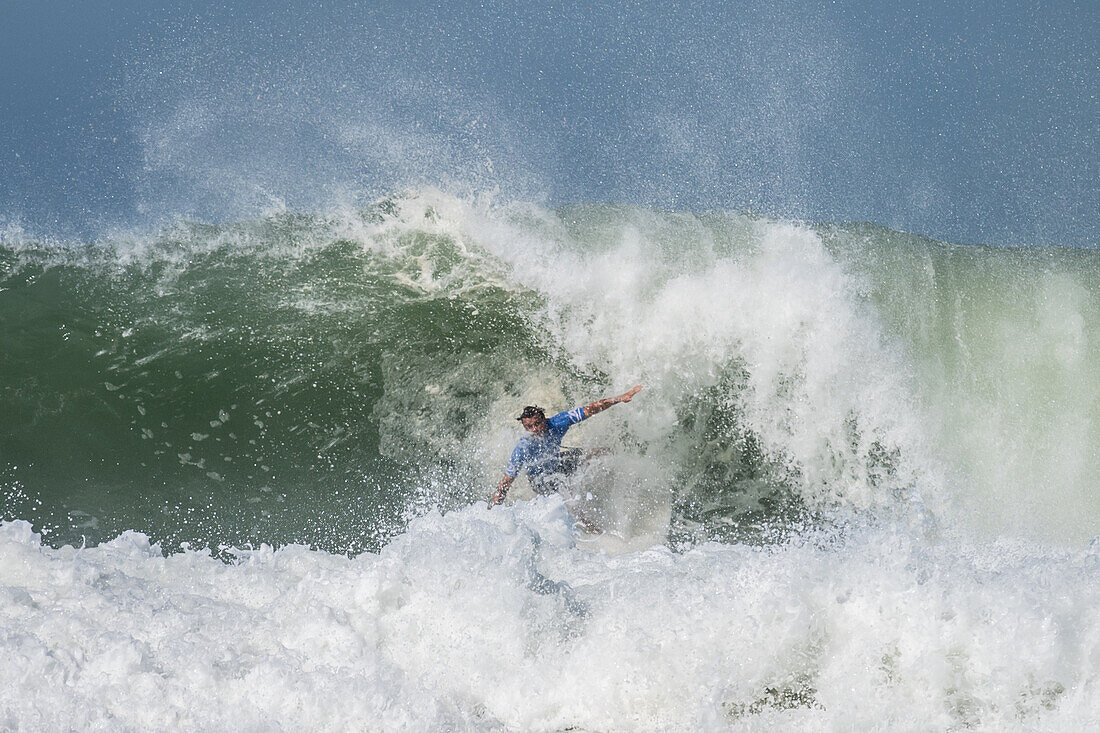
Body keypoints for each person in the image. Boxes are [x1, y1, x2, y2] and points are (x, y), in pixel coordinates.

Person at [488, 385, 643, 527]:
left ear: (544, 419)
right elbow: (506, 482)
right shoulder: (523, 447)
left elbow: (590, 409)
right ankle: (587, 527)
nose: (534, 429)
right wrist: (495, 514)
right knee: (571, 499)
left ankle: (627, 479)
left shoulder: (557, 423)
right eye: (529, 427)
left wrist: (619, 398)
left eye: (537, 424)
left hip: (557, 463)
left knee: (603, 452)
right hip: (541, 480)